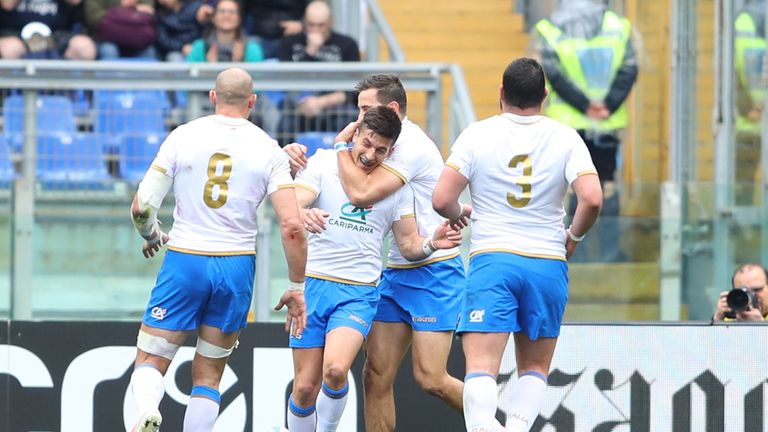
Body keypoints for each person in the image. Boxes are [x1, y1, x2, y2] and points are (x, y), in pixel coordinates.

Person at [127, 68, 307, 432]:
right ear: (252, 102)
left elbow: (142, 206)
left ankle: (148, 409)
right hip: (237, 266)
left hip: (186, 260)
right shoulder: (268, 148)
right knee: (209, 375)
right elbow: (291, 225)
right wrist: (297, 286)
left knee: (151, 359)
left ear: (213, 96)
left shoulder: (184, 136)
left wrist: (151, 234)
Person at [285, 73, 467, 431]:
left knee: (431, 378)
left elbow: (360, 195)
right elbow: (292, 198)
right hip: (392, 271)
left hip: (432, 269)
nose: (358, 119)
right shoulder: (345, 156)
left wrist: (338, 148)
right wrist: (286, 157)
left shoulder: (407, 146)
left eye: (366, 109)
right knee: (373, 375)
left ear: (393, 109)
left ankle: (499, 425)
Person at [432, 58, 603, 432]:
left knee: (480, 368)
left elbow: (441, 198)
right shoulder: (565, 136)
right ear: (544, 96)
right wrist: (572, 238)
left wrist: (458, 212)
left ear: (501, 93)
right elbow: (591, 198)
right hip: (546, 261)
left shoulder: (477, 134)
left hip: (495, 259)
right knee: (535, 367)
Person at [533, 0, 637, 262]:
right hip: (606, 123)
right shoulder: (619, 27)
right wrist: (607, 105)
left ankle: (570, 250)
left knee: (568, 188)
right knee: (605, 187)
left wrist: (585, 106)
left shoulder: (551, 28)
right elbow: (629, 68)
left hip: (568, 124)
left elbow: (554, 74)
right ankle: (610, 253)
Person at [276, 0, 360, 146]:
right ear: (304, 22)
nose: (315, 29)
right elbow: (286, 81)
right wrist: (310, 51)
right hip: (298, 105)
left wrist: (322, 102)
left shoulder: (347, 44)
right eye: (311, 24)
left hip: (334, 107)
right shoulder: (290, 43)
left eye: (321, 25)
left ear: (330, 22)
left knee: (349, 120)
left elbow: (354, 88)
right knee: (285, 124)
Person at [734, 0, 766, 205]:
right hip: (749, 124)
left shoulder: (739, 22)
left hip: (750, 122)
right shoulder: (741, 23)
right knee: (743, 183)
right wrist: (746, 108)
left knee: (743, 183)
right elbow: (729, 74)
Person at [0, 0, 96, 60]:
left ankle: (68, 90)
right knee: (9, 49)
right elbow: (7, 4)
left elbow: (76, 1)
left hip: (56, 36)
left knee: (85, 48)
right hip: (17, 36)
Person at [186, 0, 264, 62]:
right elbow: (189, 79)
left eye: (232, 12)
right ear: (213, 18)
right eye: (222, 11)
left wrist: (238, 64)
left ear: (239, 19)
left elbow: (258, 79)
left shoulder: (252, 49)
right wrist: (209, 68)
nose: (226, 15)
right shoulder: (199, 47)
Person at [84, 0, 158, 59]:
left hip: (137, 37)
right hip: (107, 38)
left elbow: (149, 13)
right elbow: (93, 18)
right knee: (109, 51)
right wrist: (124, 6)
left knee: (149, 52)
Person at [242, 0, 308, 59]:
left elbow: (314, 8)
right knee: (251, 48)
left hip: (292, 37)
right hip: (258, 37)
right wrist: (240, 36)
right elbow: (239, 9)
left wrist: (302, 24)